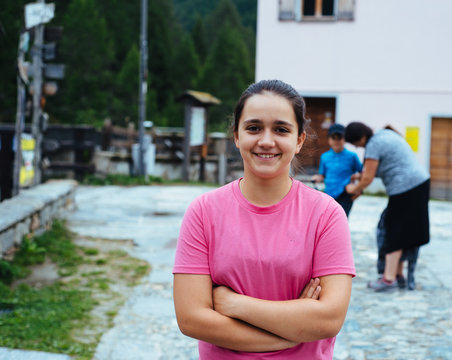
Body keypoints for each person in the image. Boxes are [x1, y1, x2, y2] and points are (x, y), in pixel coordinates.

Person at [173, 79, 356, 359]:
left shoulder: (326, 215)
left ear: (299, 140)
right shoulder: (203, 212)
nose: (266, 140)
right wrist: (289, 334)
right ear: (236, 136)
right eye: (254, 128)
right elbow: (191, 319)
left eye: (281, 129)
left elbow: (329, 319)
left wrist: (233, 304)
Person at [344, 122, 430, 292]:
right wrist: (360, 178)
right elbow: (375, 170)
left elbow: (367, 178)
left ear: (361, 137)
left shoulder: (374, 144)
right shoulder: (385, 134)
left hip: (405, 187)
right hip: (419, 184)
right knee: (404, 231)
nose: (358, 147)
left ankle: (388, 280)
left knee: (392, 230)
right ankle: (398, 275)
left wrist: (353, 189)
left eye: (356, 144)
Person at [311, 123, 363, 217]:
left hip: (345, 194)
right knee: (328, 220)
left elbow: (362, 172)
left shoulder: (352, 156)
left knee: (341, 219)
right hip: (329, 194)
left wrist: (358, 186)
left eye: (339, 138)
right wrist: (317, 178)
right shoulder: (325, 157)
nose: (336, 141)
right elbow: (323, 175)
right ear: (329, 139)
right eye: (333, 138)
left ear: (344, 139)